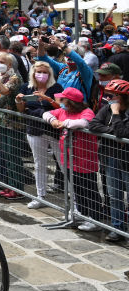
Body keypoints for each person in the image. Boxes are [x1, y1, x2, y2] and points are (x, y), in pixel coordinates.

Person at [43, 87, 102, 232]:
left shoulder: (86, 112)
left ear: (70, 102)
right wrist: (53, 120)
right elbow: (46, 114)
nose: (60, 102)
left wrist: (65, 123)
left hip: (85, 160)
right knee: (77, 188)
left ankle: (95, 219)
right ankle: (82, 214)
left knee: (89, 189)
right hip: (69, 158)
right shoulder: (63, 111)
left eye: (63, 99)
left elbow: (84, 123)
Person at [16, 60, 62, 209]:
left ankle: (74, 200)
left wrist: (48, 99)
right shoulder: (27, 87)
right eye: (39, 72)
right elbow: (21, 110)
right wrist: (19, 101)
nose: (41, 75)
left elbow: (61, 107)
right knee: (39, 163)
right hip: (35, 129)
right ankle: (40, 196)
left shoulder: (56, 87)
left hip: (54, 130)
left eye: (45, 72)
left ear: (49, 74)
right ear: (33, 73)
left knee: (63, 164)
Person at [88, 79, 129, 242]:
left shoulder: (116, 111)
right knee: (114, 195)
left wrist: (117, 115)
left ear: (122, 97)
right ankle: (117, 228)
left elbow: (123, 134)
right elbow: (93, 125)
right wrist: (111, 131)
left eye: (112, 96)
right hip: (111, 157)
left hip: (127, 160)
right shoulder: (107, 109)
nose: (108, 98)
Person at [0, 51, 25, 200]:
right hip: (2, 120)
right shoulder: (1, 77)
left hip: (13, 122)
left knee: (14, 155)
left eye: (1, 62)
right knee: (6, 155)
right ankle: (9, 185)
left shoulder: (15, 78)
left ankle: (18, 188)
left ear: (9, 64)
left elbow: (4, 91)